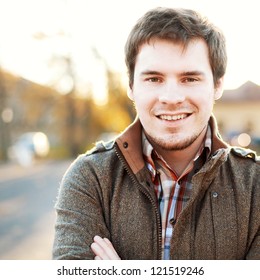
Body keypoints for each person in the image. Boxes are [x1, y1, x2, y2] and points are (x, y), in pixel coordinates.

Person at [52, 7, 260, 260]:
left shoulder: (255, 186)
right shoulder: (90, 178)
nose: (171, 98)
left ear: (217, 85)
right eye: (154, 79)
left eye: (190, 79)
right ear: (131, 85)